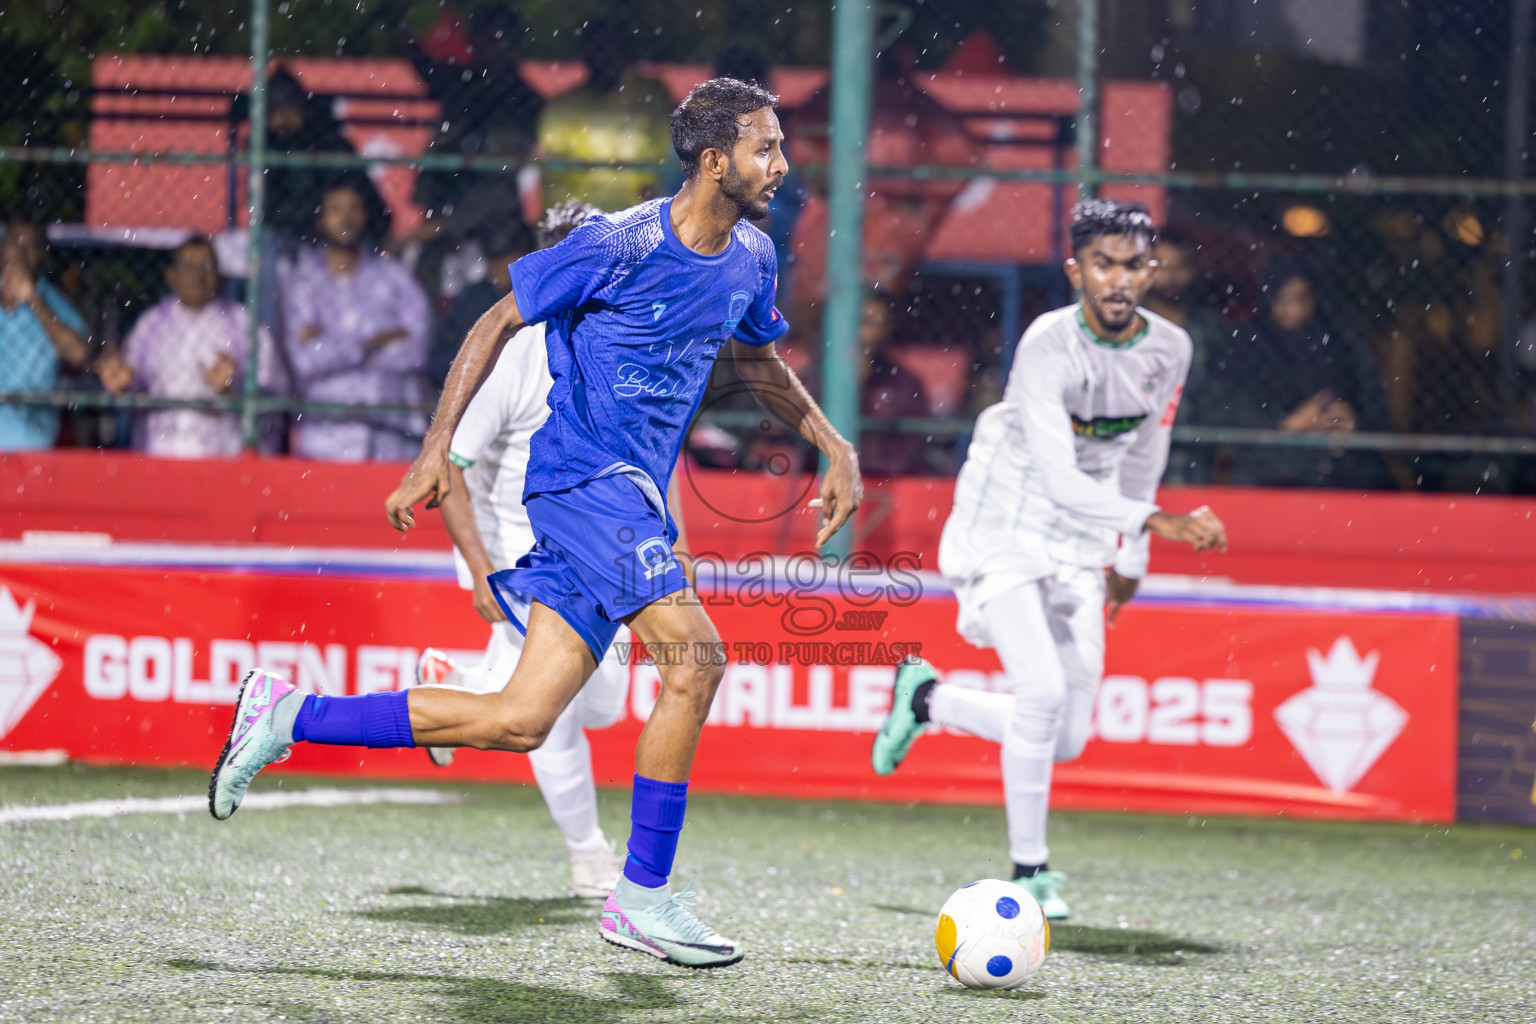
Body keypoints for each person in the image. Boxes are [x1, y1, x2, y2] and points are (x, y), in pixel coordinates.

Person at [208, 78, 862, 969]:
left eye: (781, 146)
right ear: (715, 161)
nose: (782, 164)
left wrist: (832, 441)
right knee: (697, 661)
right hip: (585, 484)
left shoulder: (751, 255)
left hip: (625, 496)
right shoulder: (618, 244)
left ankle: (288, 714)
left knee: (519, 718)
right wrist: (436, 450)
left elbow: (754, 357)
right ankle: (643, 896)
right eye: (765, 148)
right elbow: (493, 321)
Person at [870, 199, 1227, 920]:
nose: (1118, 279)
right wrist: (1155, 520)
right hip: (1009, 515)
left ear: (1150, 271)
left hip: (1085, 535)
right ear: (1077, 270)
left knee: (1065, 735)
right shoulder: (1047, 343)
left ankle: (928, 701)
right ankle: (1030, 871)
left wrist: (1135, 551)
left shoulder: (1171, 350)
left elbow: (1143, 457)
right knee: (1039, 692)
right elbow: (1059, 474)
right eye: (1104, 264)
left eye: (1132, 265)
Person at [412, 200, 634, 899]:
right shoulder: (514, 357)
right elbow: (450, 467)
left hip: (601, 561)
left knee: (606, 705)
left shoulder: (618, 351)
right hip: (526, 567)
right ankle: (590, 857)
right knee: (554, 718)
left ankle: (457, 691)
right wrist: (482, 569)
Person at [278, 175, 431, 461]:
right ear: (319, 219)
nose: (346, 218)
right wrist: (372, 342)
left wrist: (332, 342)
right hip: (325, 444)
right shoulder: (301, 284)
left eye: (354, 208)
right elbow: (305, 360)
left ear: (366, 215)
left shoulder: (394, 277)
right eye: (335, 209)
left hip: (391, 440)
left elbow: (416, 351)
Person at [1202, 265, 1392, 487]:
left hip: (1336, 466)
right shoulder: (1241, 343)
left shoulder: (1339, 342)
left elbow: (1374, 403)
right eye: (1282, 299)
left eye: (1301, 299)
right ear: (1267, 300)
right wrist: (1285, 425)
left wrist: (1352, 419)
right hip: (1265, 469)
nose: (1293, 310)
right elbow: (1221, 409)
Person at [95, 237, 273, 458]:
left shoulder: (244, 324)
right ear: (171, 275)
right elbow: (130, 384)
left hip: (222, 457)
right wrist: (122, 384)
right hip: (159, 454)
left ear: (220, 276)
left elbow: (271, 392)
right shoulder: (150, 325)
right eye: (188, 265)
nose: (198, 275)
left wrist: (234, 387)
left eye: (207, 266)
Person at [536, 19, 675, 213]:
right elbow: (554, 180)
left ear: (629, 55)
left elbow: (670, 160)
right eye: (599, 48)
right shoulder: (564, 108)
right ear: (585, 55)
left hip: (639, 215)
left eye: (615, 48)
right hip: (582, 219)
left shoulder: (649, 101)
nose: (607, 56)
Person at [0, 218, 89, 450]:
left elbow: (80, 356)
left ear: (43, 256)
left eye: (29, 246)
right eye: (12, 243)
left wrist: (33, 300)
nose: (19, 253)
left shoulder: (57, 306)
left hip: (32, 444)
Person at [427, 215, 538, 391]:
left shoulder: (543, 300)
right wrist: (466, 350)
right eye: (494, 264)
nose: (496, 273)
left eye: (505, 264)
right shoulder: (472, 298)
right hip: (479, 395)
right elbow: (439, 362)